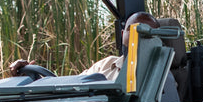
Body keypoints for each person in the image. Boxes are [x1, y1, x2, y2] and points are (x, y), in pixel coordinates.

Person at [8, 11, 156, 79]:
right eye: (133, 29)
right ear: (123, 34)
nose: (138, 35)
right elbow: (74, 86)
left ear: (157, 38)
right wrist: (33, 79)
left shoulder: (157, 75)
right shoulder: (105, 65)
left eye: (146, 31)